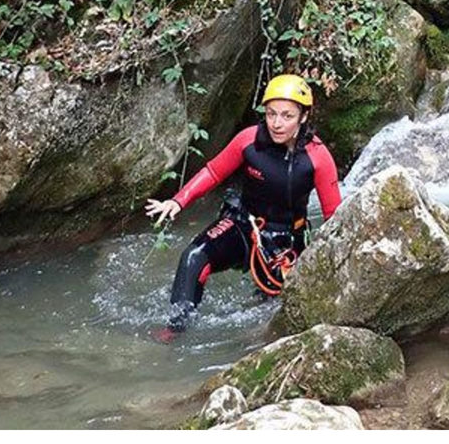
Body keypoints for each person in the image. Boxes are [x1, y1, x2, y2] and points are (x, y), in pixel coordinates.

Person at [144, 73, 341, 336]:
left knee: (274, 309)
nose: (277, 123)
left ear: (303, 117)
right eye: (271, 114)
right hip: (243, 223)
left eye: (287, 116)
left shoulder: (318, 157)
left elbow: (334, 217)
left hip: (286, 240)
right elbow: (214, 172)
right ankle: (175, 329)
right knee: (193, 257)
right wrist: (178, 201)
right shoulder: (249, 140)